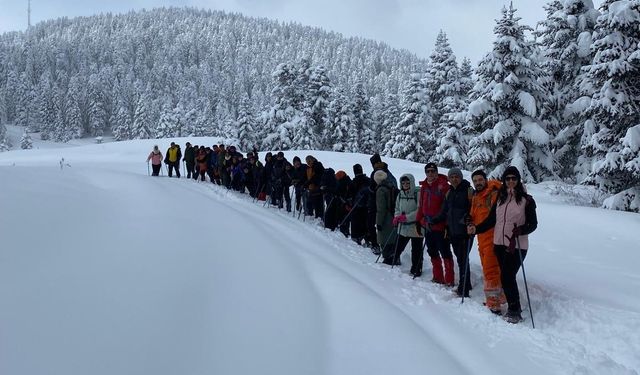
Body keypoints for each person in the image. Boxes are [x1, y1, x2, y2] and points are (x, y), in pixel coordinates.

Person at [467, 166, 538, 323]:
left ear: (518, 180)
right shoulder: (500, 198)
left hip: (517, 245)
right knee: (504, 276)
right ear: (504, 181)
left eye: (514, 178)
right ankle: (511, 304)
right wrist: (476, 229)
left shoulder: (527, 200)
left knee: (507, 276)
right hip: (498, 243)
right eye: (508, 178)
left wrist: (522, 229)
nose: (511, 181)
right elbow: (492, 220)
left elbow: (533, 224)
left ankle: (514, 309)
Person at [432, 167, 474, 296]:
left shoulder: (468, 191)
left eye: (457, 176)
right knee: (461, 259)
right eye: (452, 177)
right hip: (453, 232)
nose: (454, 179)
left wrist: (469, 219)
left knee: (462, 259)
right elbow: (445, 211)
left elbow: (474, 209)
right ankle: (467, 283)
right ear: (449, 179)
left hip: (465, 231)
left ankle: (463, 289)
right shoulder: (449, 192)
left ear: (461, 177)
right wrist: (435, 219)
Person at [469, 169, 505, 314]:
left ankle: (493, 304)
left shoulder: (494, 193)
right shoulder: (476, 197)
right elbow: (473, 214)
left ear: (485, 180)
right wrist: (468, 220)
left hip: (493, 238)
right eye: (475, 181)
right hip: (481, 238)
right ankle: (501, 296)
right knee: (489, 269)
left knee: (490, 271)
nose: (478, 183)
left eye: (480, 180)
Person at [415, 162, 454, 285]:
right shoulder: (424, 187)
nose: (430, 173)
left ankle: (449, 279)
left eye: (433, 171)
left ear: (437, 172)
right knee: (432, 251)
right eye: (428, 171)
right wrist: (418, 220)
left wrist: (447, 225)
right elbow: (421, 206)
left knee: (445, 252)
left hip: (440, 226)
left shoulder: (444, 186)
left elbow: (448, 209)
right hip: (428, 225)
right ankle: (437, 277)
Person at [393, 174, 422, 276]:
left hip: (416, 226)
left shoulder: (417, 193)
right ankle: (393, 260)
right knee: (398, 246)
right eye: (403, 182)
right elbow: (396, 208)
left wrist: (407, 217)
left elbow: (419, 210)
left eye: (407, 182)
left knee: (416, 250)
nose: (405, 184)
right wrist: (397, 217)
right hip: (403, 226)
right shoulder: (400, 194)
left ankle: (416, 269)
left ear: (411, 182)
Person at [374, 170, 399, 265]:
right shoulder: (391, 185)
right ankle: (395, 257)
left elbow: (381, 209)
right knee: (392, 239)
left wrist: (378, 222)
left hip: (386, 219)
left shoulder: (380, 190)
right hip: (393, 215)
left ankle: (388, 260)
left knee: (384, 239)